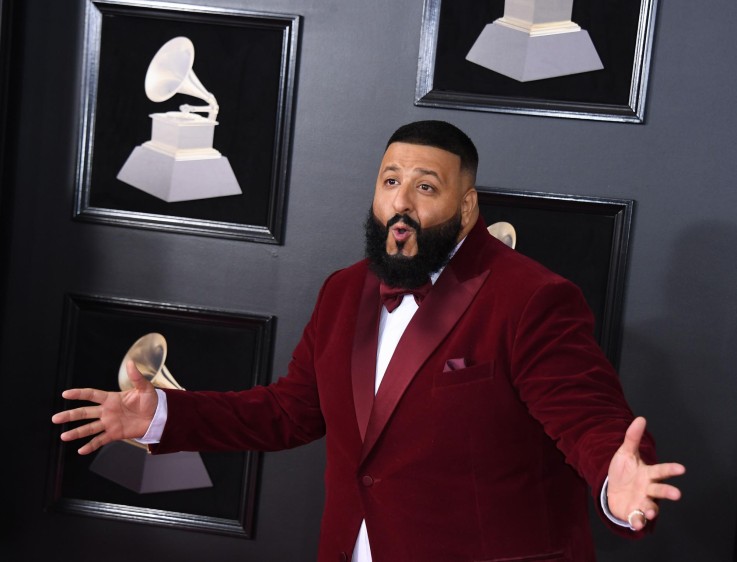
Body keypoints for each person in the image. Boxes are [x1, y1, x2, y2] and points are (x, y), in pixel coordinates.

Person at [53, 120, 685, 562]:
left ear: (467, 208)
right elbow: (289, 412)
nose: (400, 204)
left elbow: (587, 419)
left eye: (425, 187)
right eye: (389, 182)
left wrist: (613, 475)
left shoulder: (532, 298)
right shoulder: (343, 291)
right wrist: (162, 414)